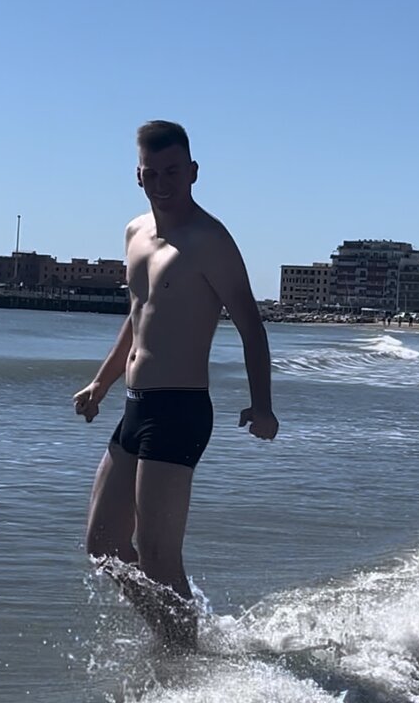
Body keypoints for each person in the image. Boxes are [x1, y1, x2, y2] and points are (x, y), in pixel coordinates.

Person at [73, 120, 278, 649]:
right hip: (135, 405)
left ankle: (184, 655)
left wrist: (262, 406)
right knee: (103, 545)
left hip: (180, 409)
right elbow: (138, 316)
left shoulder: (210, 241)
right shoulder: (134, 233)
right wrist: (101, 383)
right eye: (153, 173)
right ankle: (178, 638)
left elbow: (251, 326)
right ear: (138, 175)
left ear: (193, 172)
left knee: (159, 555)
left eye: (173, 172)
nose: (163, 183)